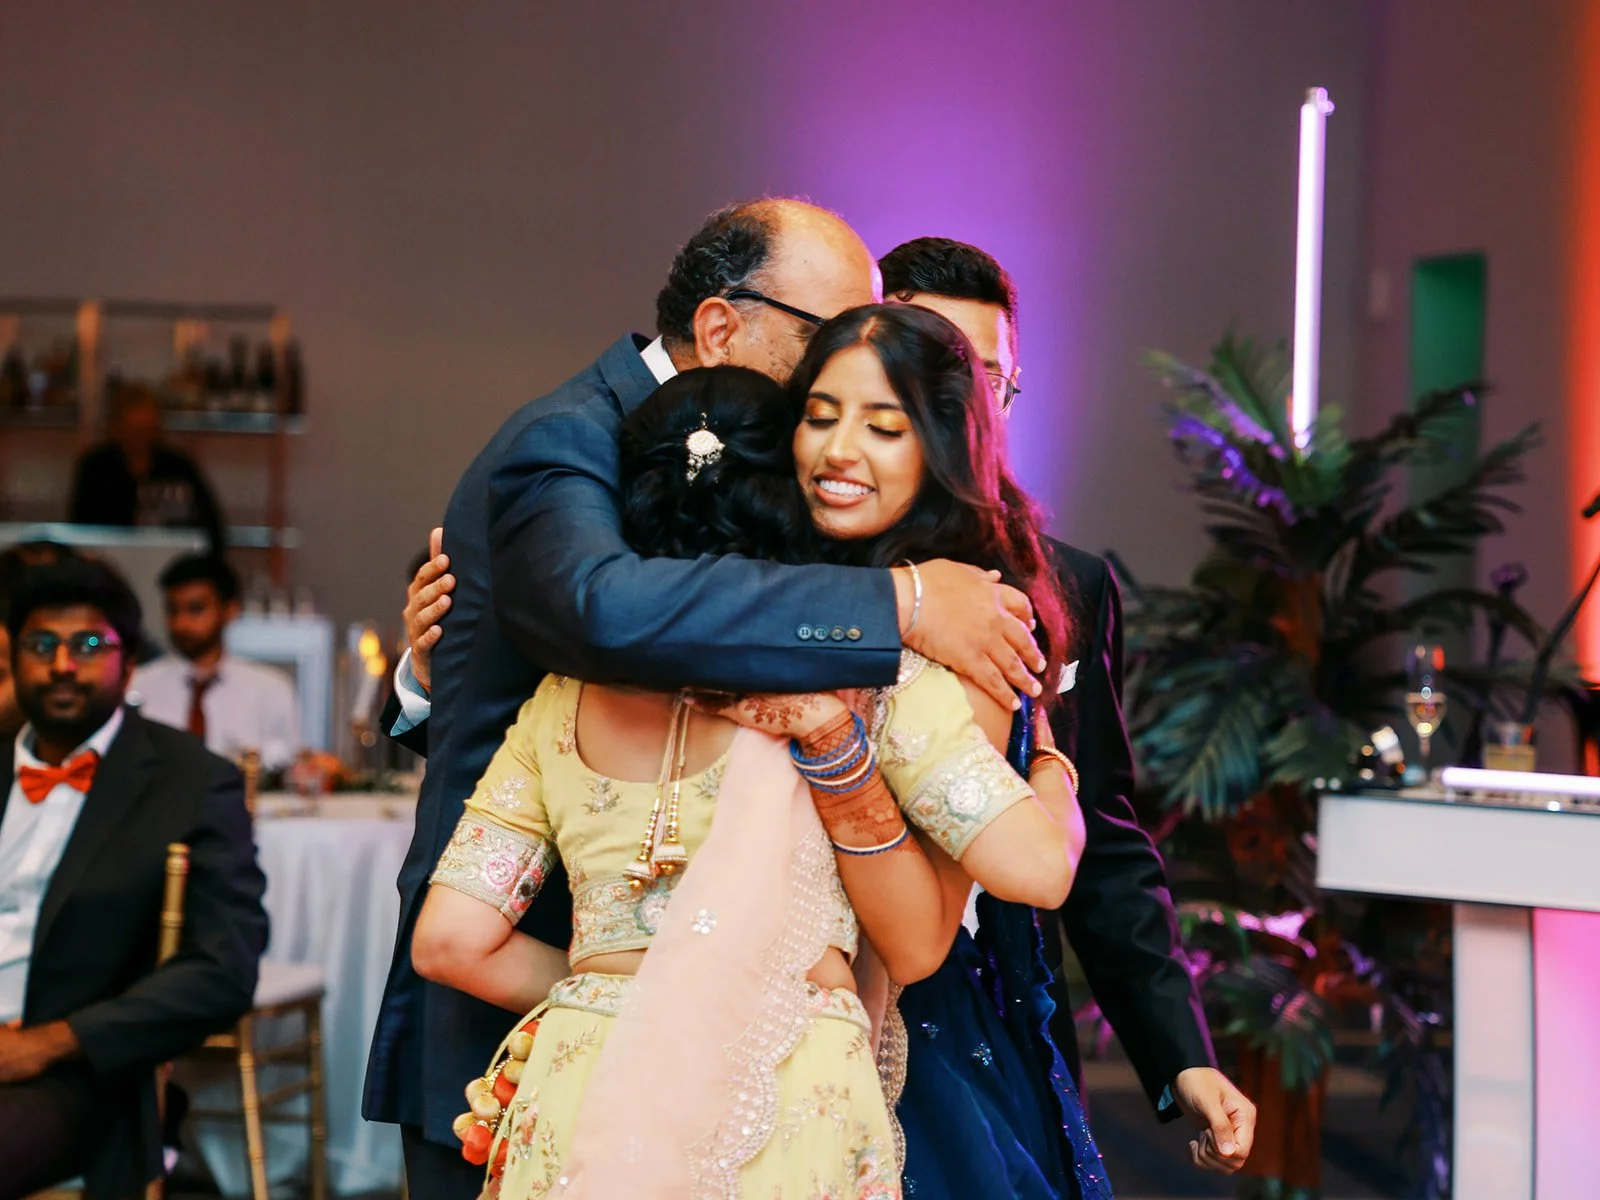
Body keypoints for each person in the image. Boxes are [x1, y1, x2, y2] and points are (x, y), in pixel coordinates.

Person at [363, 199, 1050, 1195]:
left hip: (605, 1015)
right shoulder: (571, 439)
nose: (845, 369)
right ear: (723, 326)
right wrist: (900, 606)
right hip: (532, 1035)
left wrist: (432, 684)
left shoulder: (754, 557)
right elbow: (606, 611)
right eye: (827, 341)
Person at [878, 237, 1256, 1174]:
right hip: (844, 1014)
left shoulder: (1069, 584)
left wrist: (1182, 1053)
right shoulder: (803, 574)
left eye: (988, 381)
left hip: (1011, 1015)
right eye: (931, 374)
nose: (964, 407)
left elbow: (1107, 838)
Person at [0, 558, 268, 1199]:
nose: (62, 665)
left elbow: (223, 970)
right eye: (42, 644)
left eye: (89, 645)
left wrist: (48, 1043)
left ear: (128, 664)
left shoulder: (191, 781)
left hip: (76, 1077)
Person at [128, 554, 301, 771]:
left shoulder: (271, 689)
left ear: (230, 611)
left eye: (196, 609)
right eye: (173, 610)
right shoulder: (138, 686)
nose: (181, 623)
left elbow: (290, 772)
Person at [68, 384, 226, 552]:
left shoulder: (179, 468)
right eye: (135, 430)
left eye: (150, 429)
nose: (143, 437)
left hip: (175, 563)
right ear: (117, 428)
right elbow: (81, 529)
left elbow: (210, 528)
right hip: (106, 562)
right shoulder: (95, 468)